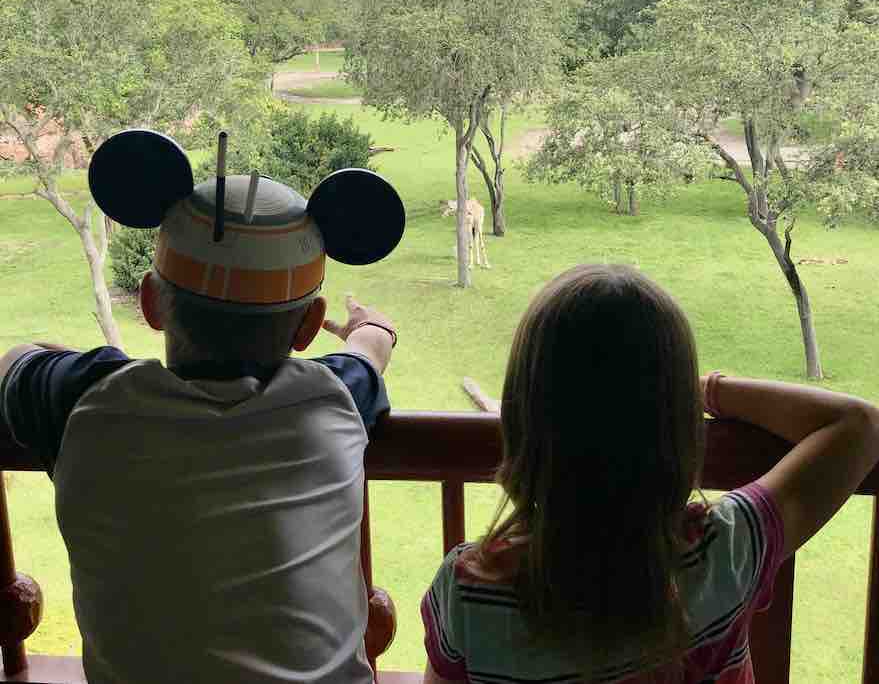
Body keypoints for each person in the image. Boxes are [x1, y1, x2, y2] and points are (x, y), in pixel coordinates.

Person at [0, 155, 400, 684]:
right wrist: (370, 327)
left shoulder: (84, 399)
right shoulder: (332, 398)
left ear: (150, 303)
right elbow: (370, 347)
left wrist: (71, 359)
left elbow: (12, 364)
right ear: (306, 327)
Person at [420, 264, 879, 684]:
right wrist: (703, 391)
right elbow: (858, 425)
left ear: (524, 422)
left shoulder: (467, 590)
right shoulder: (721, 554)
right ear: (676, 431)